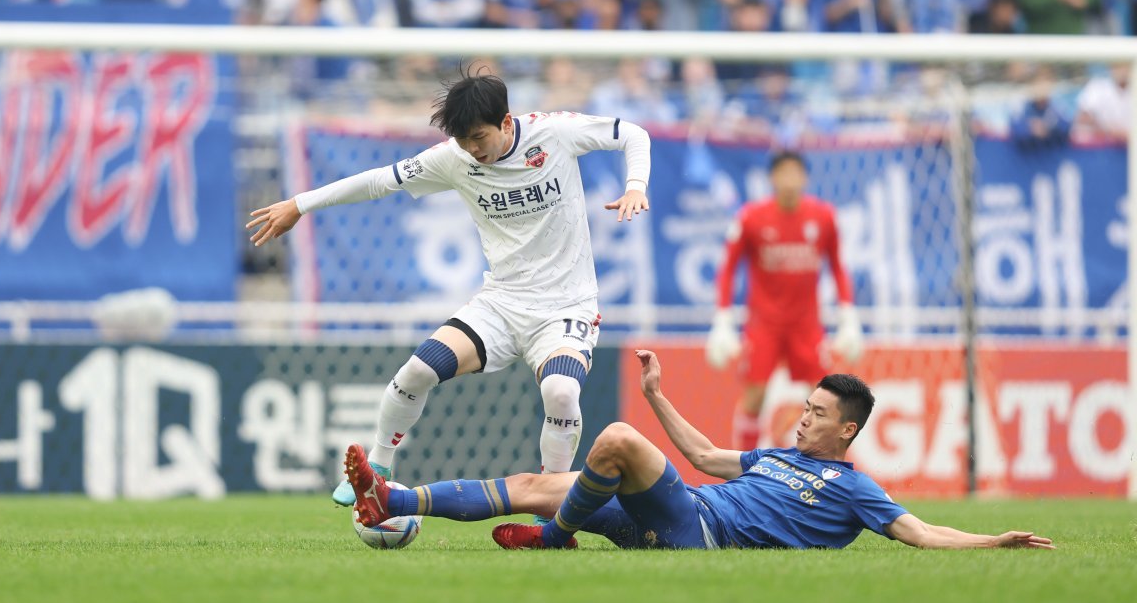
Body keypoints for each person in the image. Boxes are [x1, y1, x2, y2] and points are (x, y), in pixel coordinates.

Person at [247, 69, 651, 507]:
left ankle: (549, 502)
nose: (473, 149)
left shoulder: (554, 133)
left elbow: (633, 134)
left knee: (561, 391)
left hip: (565, 307)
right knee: (417, 371)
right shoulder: (454, 158)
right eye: (463, 141)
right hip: (501, 304)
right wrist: (300, 204)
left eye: (479, 137)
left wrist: (635, 186)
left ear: (507, 123)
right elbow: (379, 180)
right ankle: (378, 470)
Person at [346, 350, 1055, 552]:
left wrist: (993, 540)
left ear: (847, 432)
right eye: (804, 408)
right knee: (540, 480)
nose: (803, 420)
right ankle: (395, 499)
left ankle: (555, 539)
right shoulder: (780, 454)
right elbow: (710, 456)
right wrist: (657, 395)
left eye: (817, 415)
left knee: (614, 442)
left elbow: (920, 531)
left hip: (700, 531)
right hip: (677, 515)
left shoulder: (852, 488)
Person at [706, 150, 862, 451]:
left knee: (826, 395)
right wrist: (722, 320)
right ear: (773, 178)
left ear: (804, 178)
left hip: (806, 325)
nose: (790, 181)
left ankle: (829, 468)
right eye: (784, 174)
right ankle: (743, 469)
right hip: (764, 324)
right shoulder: (751, 218)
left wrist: (848, 316)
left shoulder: (823, 217)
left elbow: (839, 267)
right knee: (755, 393)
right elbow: (727, 269)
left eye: (796, 173)